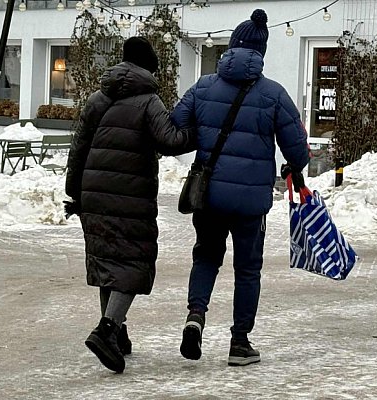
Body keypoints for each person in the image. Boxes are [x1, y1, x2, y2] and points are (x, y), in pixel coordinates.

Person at [170, 9, 310, 367]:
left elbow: (176, 126)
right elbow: (297, 149)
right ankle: (239, 343)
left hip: (210, 194)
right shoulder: (273, 94)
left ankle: (195, 316)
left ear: (231, 48)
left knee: (206, 257)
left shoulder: (202, 86)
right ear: (260, 54)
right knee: (248, 270)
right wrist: (294, 164)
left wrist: (205, 135)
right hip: (250, 203)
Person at [64, 37, 195, 374]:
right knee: (132, 261)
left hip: (93, 192)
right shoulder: (148, 101)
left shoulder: (97, 98)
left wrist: (74, 192)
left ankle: (117, 330)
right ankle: (106, 331)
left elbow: (78, 146)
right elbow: (170, 141)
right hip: (129, 193)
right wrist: (198, 130)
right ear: (148, 68)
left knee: (108, 259)